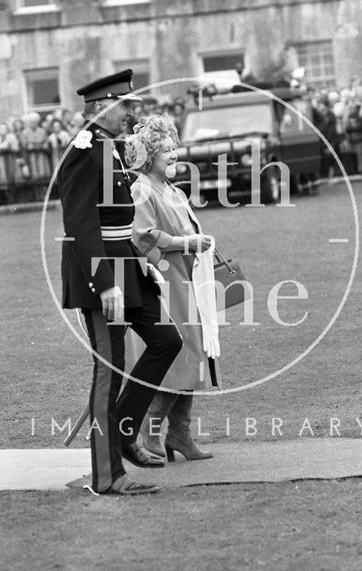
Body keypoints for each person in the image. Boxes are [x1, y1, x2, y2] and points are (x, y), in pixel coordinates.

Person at [57, 70, 182, 495]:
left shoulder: (111, 148)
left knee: (167, 340)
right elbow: (79, 224)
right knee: (108, 372)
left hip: (127, 266)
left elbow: (119, 219)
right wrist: (105, 281)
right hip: (100, 276)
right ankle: (107, 476)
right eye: (126, 105)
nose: (133, 111)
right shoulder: (83, 150)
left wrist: (139, 261)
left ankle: (125, 432)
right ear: (100, 108)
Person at [125, 114, 221, 463]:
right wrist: (187, 243)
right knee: (176, 359)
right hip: (167, 285)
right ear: (149, 157)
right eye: (166, 150)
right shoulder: (142, 189)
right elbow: (142, 236)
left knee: (194, 357)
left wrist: (198, 243)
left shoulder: (174, 191)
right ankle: (150, 431)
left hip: (191, 284)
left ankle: (179, 433)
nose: (173, 155)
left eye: (174, 148)